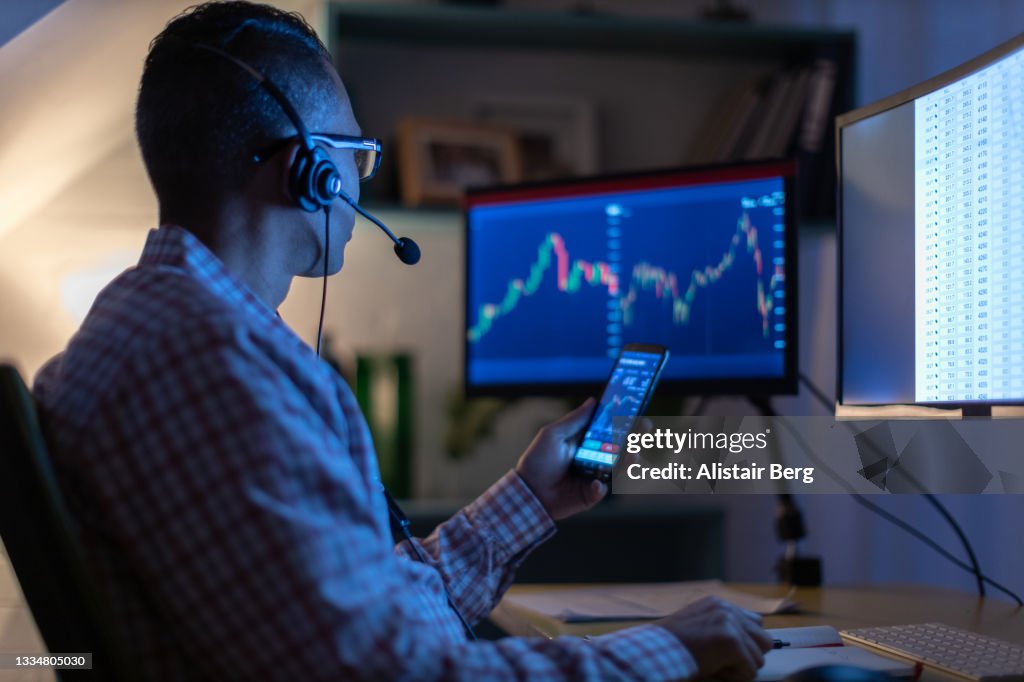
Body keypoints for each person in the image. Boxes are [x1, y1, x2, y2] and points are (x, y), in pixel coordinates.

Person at [33, 2, 771, 679]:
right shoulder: (217, 371)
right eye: (357, 156)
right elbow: (394, 675)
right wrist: (667, 650)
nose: (359, 181)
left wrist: (531, 500)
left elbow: (360, 622)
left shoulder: (142, 329)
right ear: (311, 172)